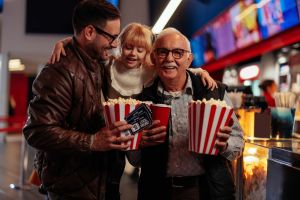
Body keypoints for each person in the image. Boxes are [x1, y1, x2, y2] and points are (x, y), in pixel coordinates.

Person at [48, 22, 218, 190]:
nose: (133, 54)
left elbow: (178, 66)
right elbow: (88, 49)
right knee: (96, 171)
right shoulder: (109, 65)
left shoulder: (149, 71)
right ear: (120, 46)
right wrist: (64, 42)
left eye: (140, 50)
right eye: (129, 47)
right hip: (104, 126)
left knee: (115, 172)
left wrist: (202, 72)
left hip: (130, 126)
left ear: (148, 53)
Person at [22, 1, 135, 199]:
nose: (116, 44)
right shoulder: (59, 72)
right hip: (71, 190)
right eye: (112, 37)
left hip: (103, 183)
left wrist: (194, 74)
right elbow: (37, 131)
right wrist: (92, 141)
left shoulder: (99, 61)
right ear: (89, 32)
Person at [133, 28, 244, 200]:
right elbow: (133, 158)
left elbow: (238, 142)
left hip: (207, 190)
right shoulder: (141, 99)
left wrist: (224, 145)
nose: (169, 58)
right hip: (157, 191)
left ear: (189, 59)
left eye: (178, 53)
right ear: (154, 58)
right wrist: (139, 142)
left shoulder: (214, 92)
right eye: (163, 52)